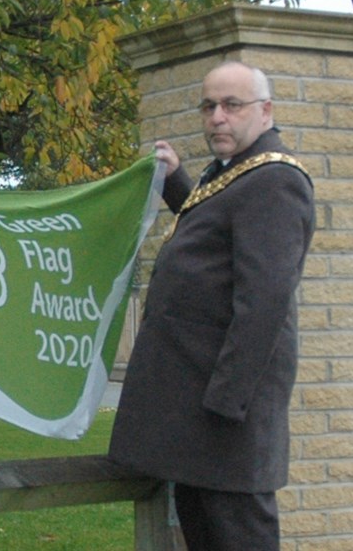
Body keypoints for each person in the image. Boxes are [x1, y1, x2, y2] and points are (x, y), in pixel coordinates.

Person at [109, 61, 315, 551]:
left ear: (265, 112)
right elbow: (214, 232)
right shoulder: (234, 174)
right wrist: (179, 180)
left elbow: (263, 302)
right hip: (203, 416)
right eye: (209, 106)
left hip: (225, 418)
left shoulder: (275, 181)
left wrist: (225, 405)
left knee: (238, 537)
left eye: (231, 105)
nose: (217, 117)